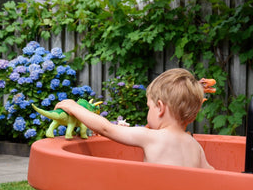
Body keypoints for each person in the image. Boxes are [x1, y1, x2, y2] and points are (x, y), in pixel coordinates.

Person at [55, 68, 214, 169]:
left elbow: (105, 128)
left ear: (160, 107)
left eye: (148, 106)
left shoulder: (151, 137)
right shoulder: (194, 145)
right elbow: (211, 173)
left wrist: (75, 108)